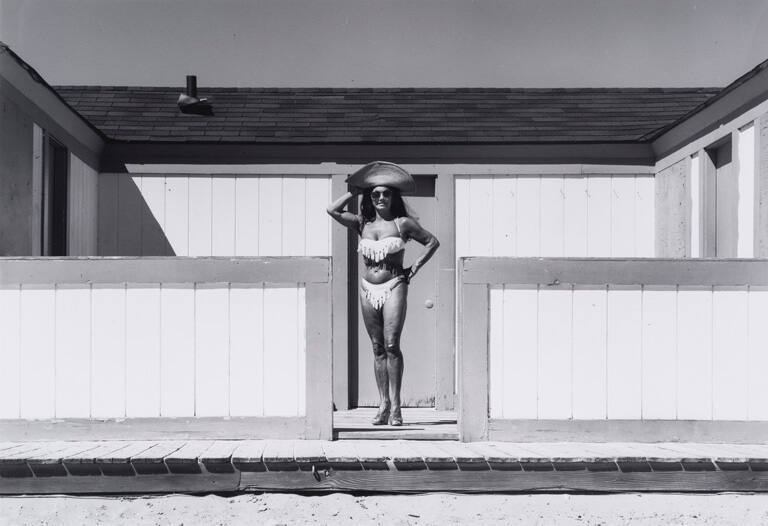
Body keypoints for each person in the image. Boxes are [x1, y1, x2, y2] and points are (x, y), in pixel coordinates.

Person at [327, 162, 439, 426]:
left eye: (385, 193)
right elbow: (332, 210)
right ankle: (383, 404)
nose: (379, 198)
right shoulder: (361, 224)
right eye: (374, 194)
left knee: (391, 345)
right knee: (377, 348)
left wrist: (414, 269)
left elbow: (432, 242)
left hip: (394, 285)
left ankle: (397, 406)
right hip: (368, 289)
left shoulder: (403, 224)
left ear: (393, 197)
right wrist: (354, 191)